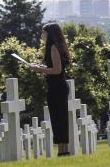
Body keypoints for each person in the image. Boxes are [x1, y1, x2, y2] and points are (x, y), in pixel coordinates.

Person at [29, 22, 71, 156]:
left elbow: (57, 70)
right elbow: (53, 66)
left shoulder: (53, 47)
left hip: (57, 87)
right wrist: (40, 66)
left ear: (50, 34)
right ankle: (63, 150)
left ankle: (62, 150)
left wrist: (39, 70)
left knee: (58, 118)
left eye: (44, 33)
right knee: (60, 118)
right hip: (58, 87)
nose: (42, 36)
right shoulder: (57, 46)